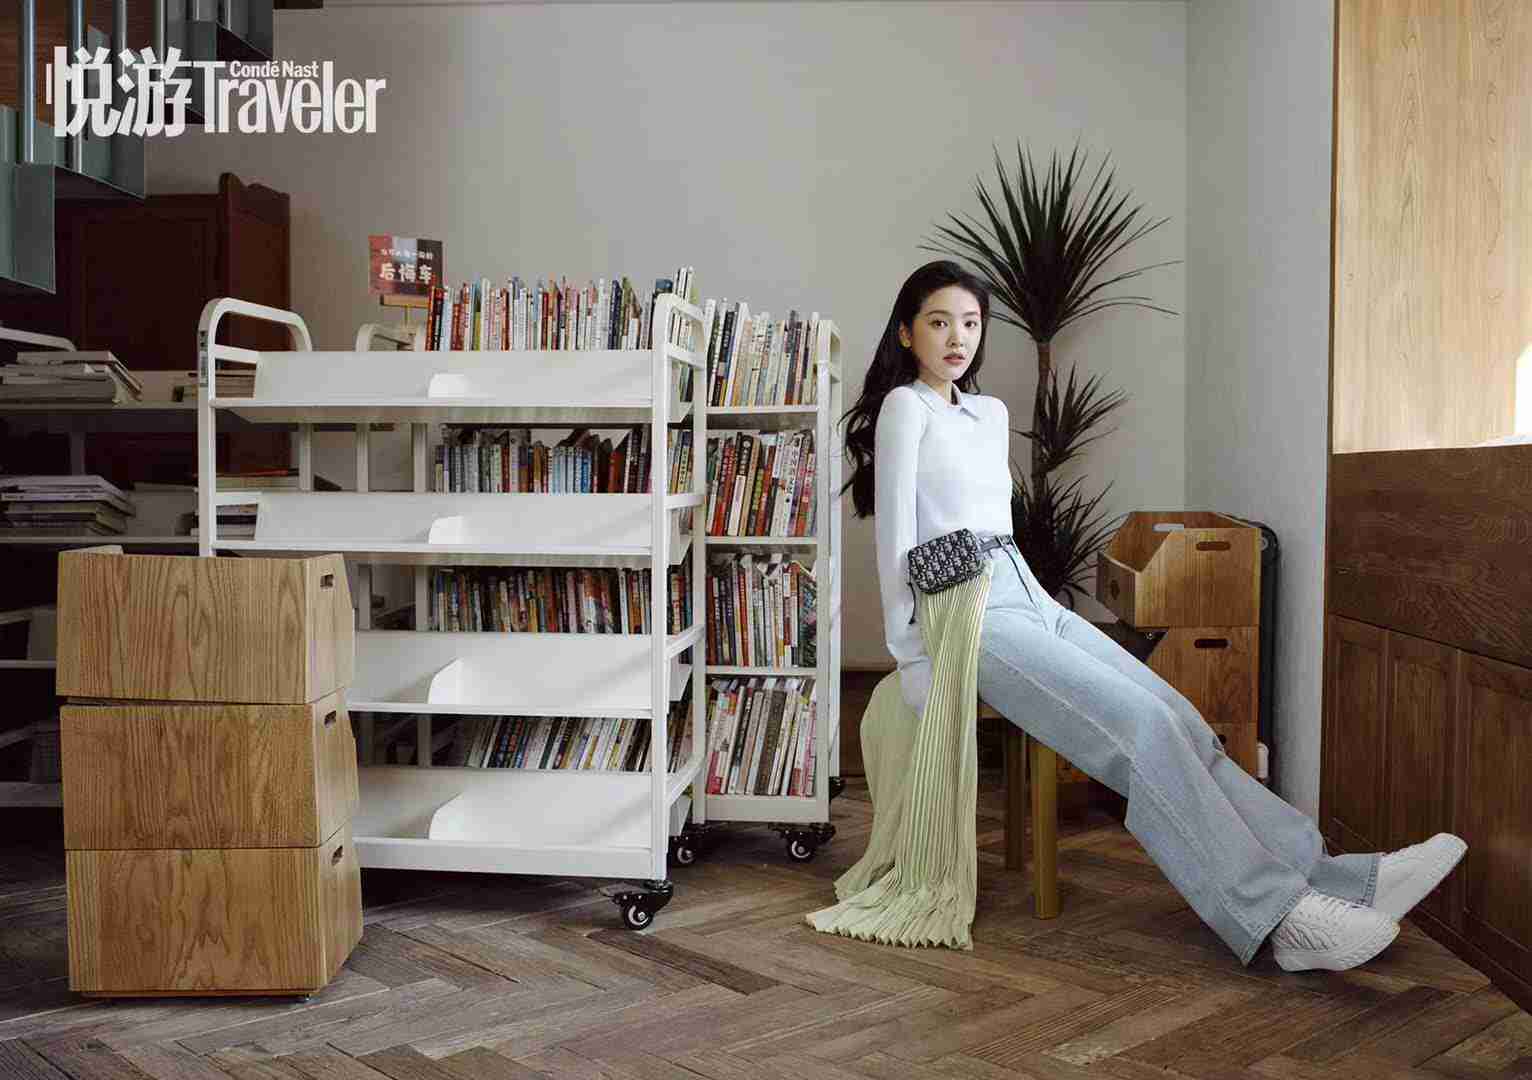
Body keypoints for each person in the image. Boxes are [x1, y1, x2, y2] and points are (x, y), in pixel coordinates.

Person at [837, 259, 1467, 972]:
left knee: (1179, 717)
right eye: (938, 322)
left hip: (1025, 590)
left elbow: (998, 527)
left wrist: (1037, 601)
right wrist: (912, 654)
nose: (957, 338)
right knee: (1139, 728)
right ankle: (1277, 918)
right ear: (907, 332)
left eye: (971, 323)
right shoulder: (905, 409)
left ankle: (1343, 880)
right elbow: (894, 540)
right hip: (966, 614)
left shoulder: (989, 415)